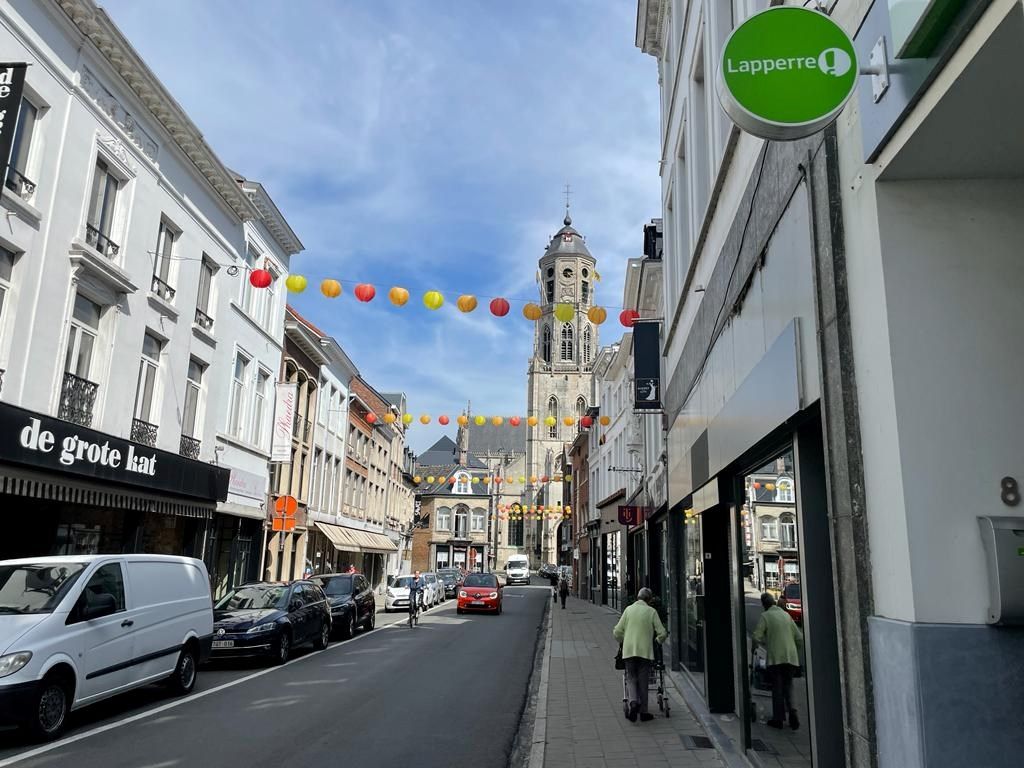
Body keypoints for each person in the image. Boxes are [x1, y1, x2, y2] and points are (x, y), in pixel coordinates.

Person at [613, 588, 668, 723]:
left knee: (631, 677)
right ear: (648, 599)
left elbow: (617, 631)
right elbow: (662, 633)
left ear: (638, 597)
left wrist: (622, 640)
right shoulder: (651, 612)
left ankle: (632, 703)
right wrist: (657, 641)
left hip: (629, 650)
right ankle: (644, 712)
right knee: (643, 680)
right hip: (645, 652)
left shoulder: (628, 610)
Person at [752, 592, 804, 730]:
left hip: (776, 658)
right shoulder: (786, 615)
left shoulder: (766, 616)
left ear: (764, 605)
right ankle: (793, 711)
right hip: (791, 657)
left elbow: (756, 636)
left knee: (777, 687)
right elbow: (799, 637)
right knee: (789, 685)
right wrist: (794, 651)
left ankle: (778, 719)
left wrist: (758, 645)